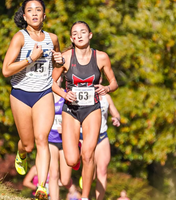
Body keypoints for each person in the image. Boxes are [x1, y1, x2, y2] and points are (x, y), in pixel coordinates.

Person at [2, 0, 63, 199]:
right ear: (25, 16)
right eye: (30, 11)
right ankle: (22, 153)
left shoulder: (52, 38)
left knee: (41, 139)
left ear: (44, 15)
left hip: (44, 93)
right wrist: (30, 59)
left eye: (38, 10)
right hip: (21, 94)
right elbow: (6, 70)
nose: (35, 13)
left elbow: (58, 62)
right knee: (28, 144)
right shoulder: (20, 38)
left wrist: (58, 63)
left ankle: (42, 187)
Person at [51, 21, 118, 199]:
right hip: (71, 109)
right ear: (72, 38)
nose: (79, 35)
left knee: (88, 155)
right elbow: (51, 83)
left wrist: (107, 89)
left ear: (90, 35)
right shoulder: (65, 57)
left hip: (92, 109)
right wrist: (65, 95)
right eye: (75, 33)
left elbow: (114, 82)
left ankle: (85, 197)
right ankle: (80, 155)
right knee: (72, 160)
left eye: (83, 32)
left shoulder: (101, 57)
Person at [79, 76, 121, 200]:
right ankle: (85, 192)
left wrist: (116, 119)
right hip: (85, 136)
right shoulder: (82, 94)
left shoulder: (107, 97)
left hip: (102, 136)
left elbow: (116, 113)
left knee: (102, 171)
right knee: (89, 173)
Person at [48, 76, 74, 199]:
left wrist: (66, 127)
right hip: (50, 139)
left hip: (65, 140)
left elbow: (75, 116)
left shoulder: (67, 95)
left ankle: (70, 186)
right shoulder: (46, 95)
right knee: (53, 174)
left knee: (64, 180)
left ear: (61, 79)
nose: (55, 79)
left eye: (57, 78)